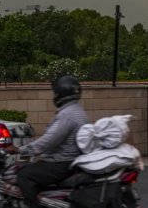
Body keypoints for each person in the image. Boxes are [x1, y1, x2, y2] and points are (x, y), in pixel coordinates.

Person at [5, 75, 88, 208]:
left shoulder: (67, 115)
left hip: (60, 163)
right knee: (26, 165)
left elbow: (48, 142)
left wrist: (20, 150)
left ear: (61, 94)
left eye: (55, 93)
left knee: (24, 176)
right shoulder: (77, 111)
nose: (54, 96)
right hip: (68, 162)